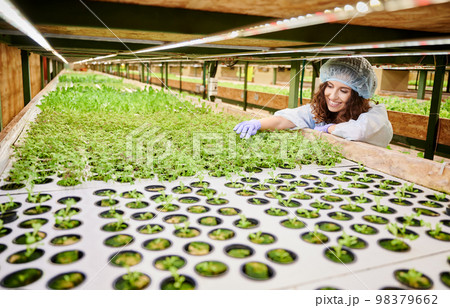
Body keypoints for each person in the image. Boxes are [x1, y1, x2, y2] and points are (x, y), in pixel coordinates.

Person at [233, 57, 393, 148]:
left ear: (358, 95)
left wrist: (330, 128)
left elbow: (360, 131)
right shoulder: (322, 109)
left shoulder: (375, 114)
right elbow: (288, 118)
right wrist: (257, 123)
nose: (332, 96)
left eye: (344, 91)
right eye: (330, 86)